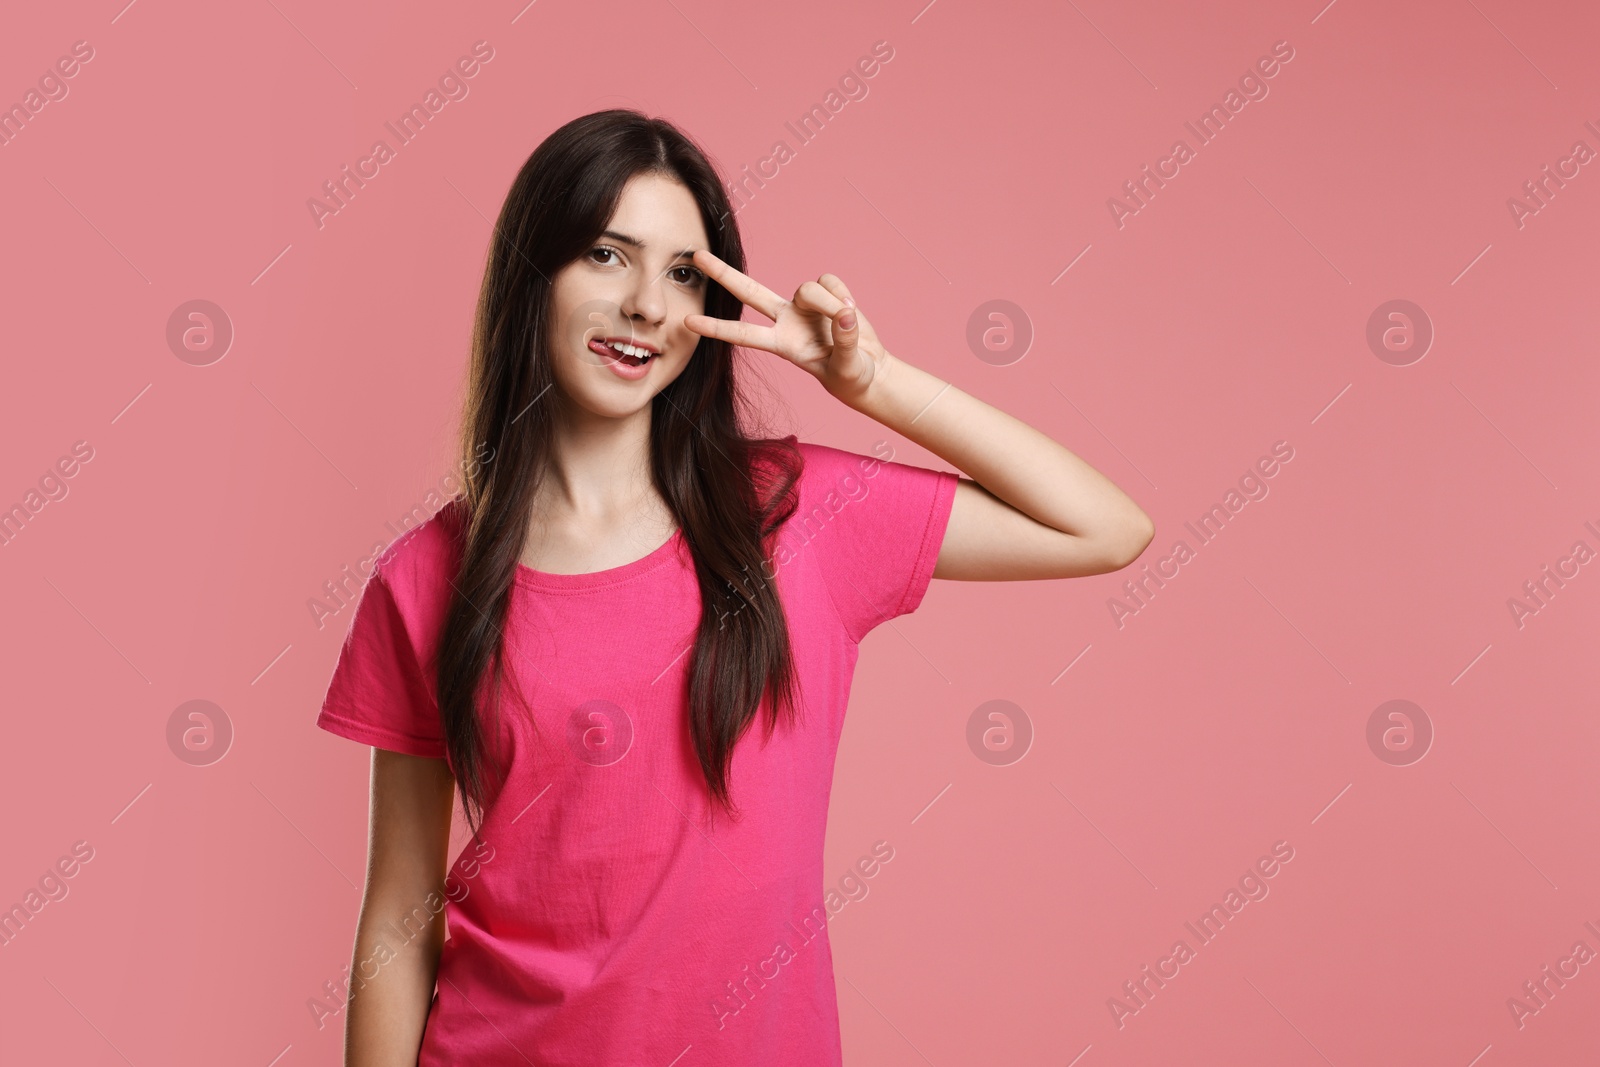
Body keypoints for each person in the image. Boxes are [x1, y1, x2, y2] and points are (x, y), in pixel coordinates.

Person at [315, 108, 1153, 1066]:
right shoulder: (427, 576)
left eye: (682, 273)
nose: (645, 305)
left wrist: (871, 383)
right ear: (531, 275)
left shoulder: (798, 515)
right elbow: (399, 909)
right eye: (604, 254)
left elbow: (1104, 524)